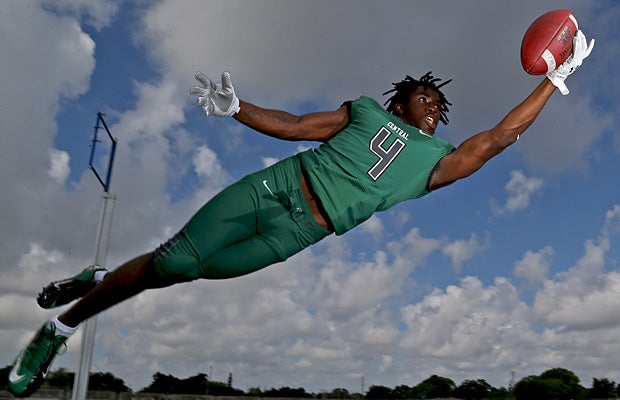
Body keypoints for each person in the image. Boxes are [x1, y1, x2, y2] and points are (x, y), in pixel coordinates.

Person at [6, 31, 594, 397]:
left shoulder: (436, 162)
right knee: (177, 258)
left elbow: (494, 139)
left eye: (440, 105)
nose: (434, 108)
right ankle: (56, 332)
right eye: (425, 98)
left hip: (303, 232)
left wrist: (553, 82)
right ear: (398, 103)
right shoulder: (366, 112)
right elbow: (292, 127)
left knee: (179, 271)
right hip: (275, 189)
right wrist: (237, 108)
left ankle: (102, 278)